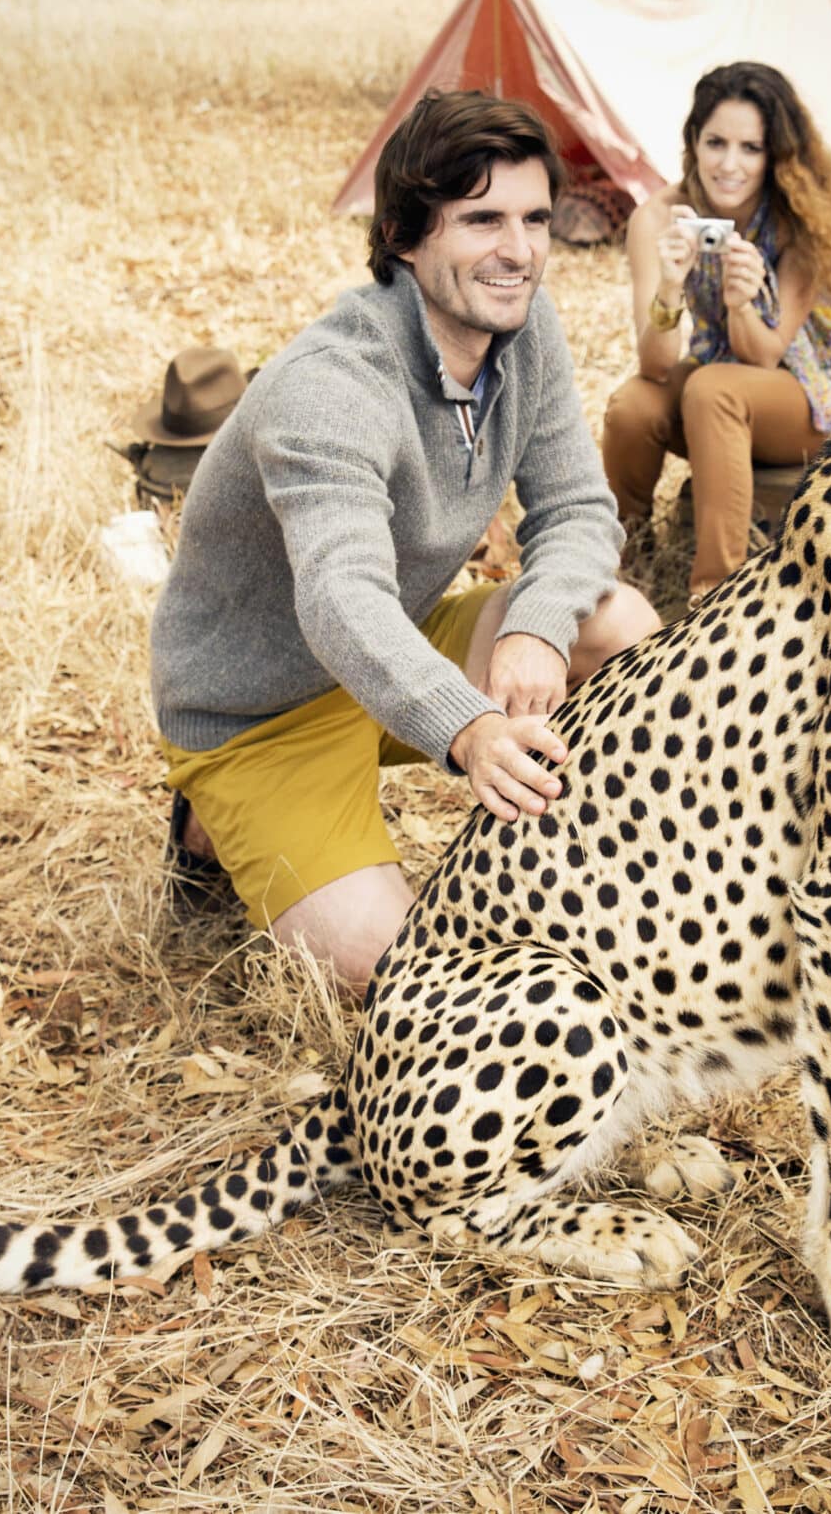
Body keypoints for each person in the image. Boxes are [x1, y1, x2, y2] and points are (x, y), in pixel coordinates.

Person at [148, 91, 660, 994]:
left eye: (536, 218)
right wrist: (467, 727)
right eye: (482, 220)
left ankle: (608, 870)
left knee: (618, 622)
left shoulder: (523, 323)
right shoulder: (331, 387)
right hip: (262, 708)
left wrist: (538, 624)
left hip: (401, 638)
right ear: (404, 236)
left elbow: (580, 506)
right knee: (405, 977)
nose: (519, 250)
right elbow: (340, 599)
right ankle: (212, 820)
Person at [601, 62, 831, 602]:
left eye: (750, 148)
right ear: (693, 143)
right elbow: (655, 367)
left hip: (808, 397)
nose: (730, 164)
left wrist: (741, 304)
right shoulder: (658, 218)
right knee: (633, 405)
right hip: (720, 386)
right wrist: (671, 289)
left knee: (711, 388)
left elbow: (766, 355)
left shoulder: (800, 220)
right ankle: (625, 566)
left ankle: (715, 597)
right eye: (716, 143)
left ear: (773, 156)